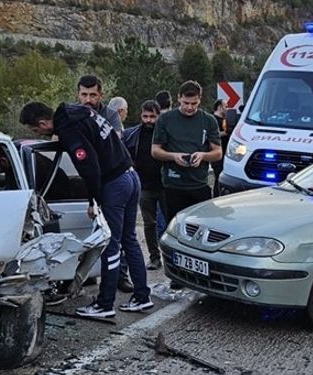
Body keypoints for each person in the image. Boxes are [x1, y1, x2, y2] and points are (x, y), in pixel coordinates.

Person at [20, 101, 151, 317]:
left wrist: (93, 201)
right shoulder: (78, 112)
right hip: (130, 176)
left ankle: (104, 304)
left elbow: (89, 166)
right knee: (129, 239)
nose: (41, 133)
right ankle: (142, 296)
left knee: (110, 243)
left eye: (37, 130)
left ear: (43, 122)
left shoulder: (69, 128)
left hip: (115, 184)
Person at [151, 81, 223, 223]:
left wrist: (202, 156)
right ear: (179, 98)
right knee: (174, 227)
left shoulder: (209, 120)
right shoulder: (165, 119)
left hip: (199, 184)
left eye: (194, 103)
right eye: (186, 103)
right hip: (173, 186)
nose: (189, 107)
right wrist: (173, 156)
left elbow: (218, 153)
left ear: (199, 100)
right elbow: (155, 150)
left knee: (202, 227)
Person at [123, 100, 164, 270]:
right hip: (144, 185)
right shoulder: (133, 135)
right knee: (149, 223)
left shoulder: (164, 134)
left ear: (158, 116)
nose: (148, 120)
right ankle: (154, 257)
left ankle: (170, 257)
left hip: (165, 185)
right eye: (145, 116)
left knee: (167, 224)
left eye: (152, 117)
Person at [211, 99, 229, 196]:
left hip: (226, 153)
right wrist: (225, 133)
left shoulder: (225, 120)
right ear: (219, 107)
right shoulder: (212, 120)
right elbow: (213, 135)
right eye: (226, 107)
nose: (227, 109)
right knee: (219, 178)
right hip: (217, 155)